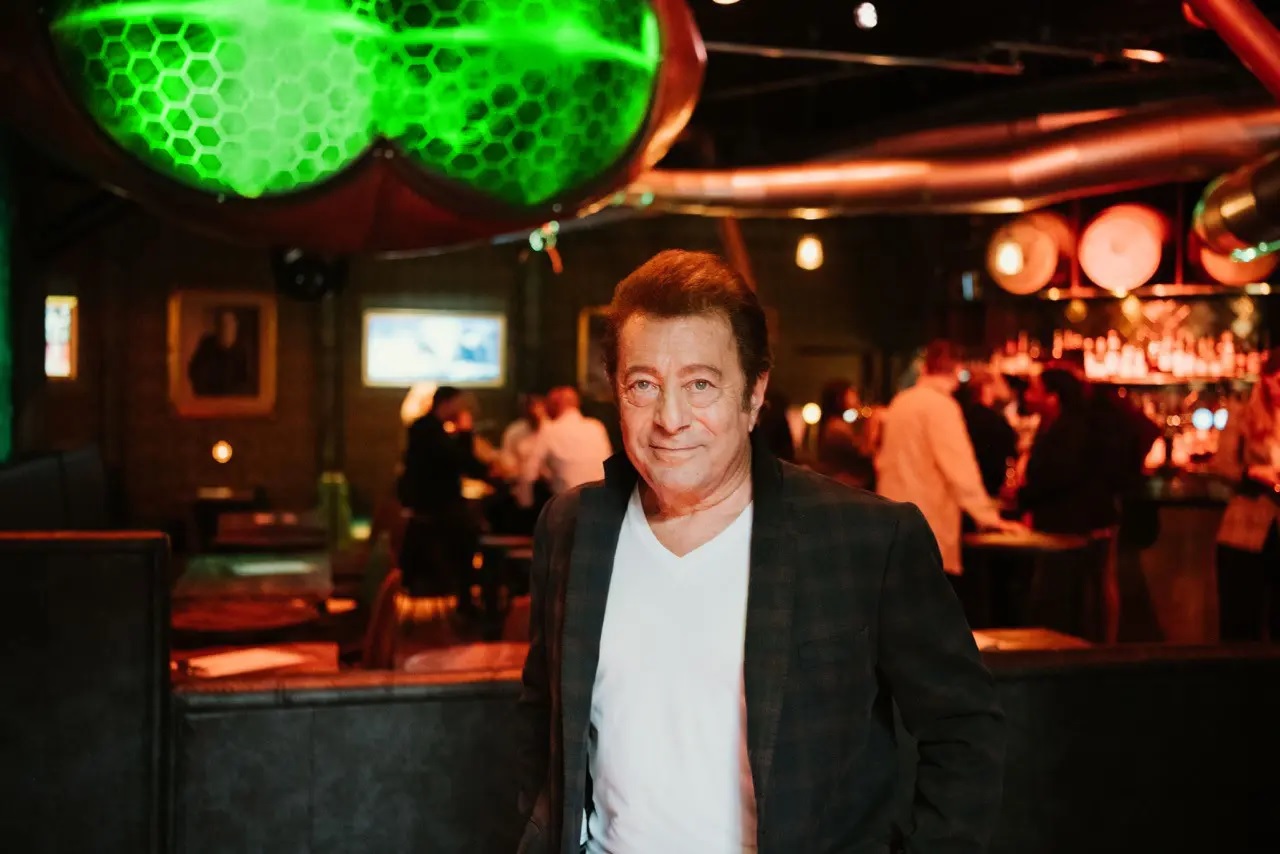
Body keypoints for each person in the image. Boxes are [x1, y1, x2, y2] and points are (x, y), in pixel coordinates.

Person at [516, 250, 1005, 854]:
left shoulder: (865, 538)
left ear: (753, 395)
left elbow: (963, 727)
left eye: (700, 384)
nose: (670, 418)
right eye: (643, 385)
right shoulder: (573, 527)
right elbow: (542, 715)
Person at [875, 341, 1024, 577]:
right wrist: (988, 517)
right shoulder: (941, 407)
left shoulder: (900, 402)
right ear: (957, 369)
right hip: (927, 522)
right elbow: (959, 468)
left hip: (893, 521)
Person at [1211, 348, 1280, 641]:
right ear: (1265, 379)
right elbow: (1221, 465)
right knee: (1240, 622)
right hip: (1245, 530)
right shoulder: (1242, 413)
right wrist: (1253, 473)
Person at [397, 386, 488, 602]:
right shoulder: (427, 430)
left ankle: (463, 592)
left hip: (432, 501)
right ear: (446, 403)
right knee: (469, 532)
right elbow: (460, 462)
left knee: (468, 526)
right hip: (435, 503)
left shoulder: (429, 429)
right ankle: (465, 594)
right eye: (459, 404)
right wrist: (465, 433)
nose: (462, 410)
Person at [516, 386, 613, 507]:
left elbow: (529, 473)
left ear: (554, 406)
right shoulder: (596, 427)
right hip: (602, 503)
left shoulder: (550, 431)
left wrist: (525, 503)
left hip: (569, 506)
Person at [187, 309, 254, 396]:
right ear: (217, 328)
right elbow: (195, 372)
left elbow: (245, 381)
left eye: (229, 325)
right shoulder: (207, 344)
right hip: (208, 398)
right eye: (222, 325)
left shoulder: (242, 350)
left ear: (235, 327)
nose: (226, 329)